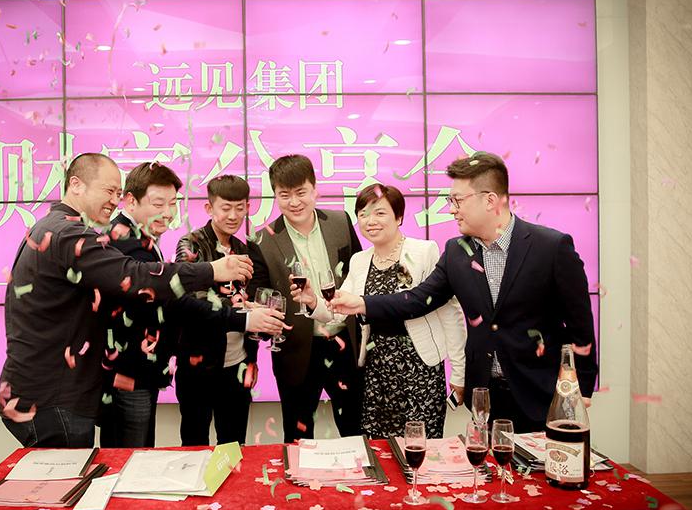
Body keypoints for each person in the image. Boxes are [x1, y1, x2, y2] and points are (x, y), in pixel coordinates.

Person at [0, 153, 257, 448]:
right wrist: (212, 271)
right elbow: (134, 276)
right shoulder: (68, 234)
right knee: (106, 467)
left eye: (117, 192)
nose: (114, 200)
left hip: (51, 389)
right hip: (55, 395)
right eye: (109, 190)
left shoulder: (56, 227)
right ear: (76, 185)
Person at [328, 152, 597, 433]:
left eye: (458, 200)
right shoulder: (457, 252)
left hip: (540, 393)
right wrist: (361, 303)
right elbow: (418, 300)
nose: (452, 210)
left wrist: (584, 385)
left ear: (489, 200)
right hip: (485, 396)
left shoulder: (551, 247)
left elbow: (580, 324)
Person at [97, 163, 285, 448]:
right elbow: (182, 301)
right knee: (164, 451)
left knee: (233, 446)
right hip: (149, 371)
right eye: (158, 204)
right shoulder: (144, 243)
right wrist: (243, 316)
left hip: (227, 364)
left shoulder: (242, 248)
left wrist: (251, 327)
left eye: (172, 204)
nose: (167, 212)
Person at [292, 184, 467, 439]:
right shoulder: (360, 261)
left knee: (420, 446)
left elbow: (450, 314)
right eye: (363, 214)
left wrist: (460, 372)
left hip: (420, 369)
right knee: (379, 448)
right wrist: (312, 301)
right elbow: (339, 310)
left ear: (399, 217)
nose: (370, 221)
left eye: (380, 213)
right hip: (377, 372)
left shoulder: (423, 251)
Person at [248, 154, 363, 442]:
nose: (294, 202)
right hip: (297, 349)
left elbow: (359, 272)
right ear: (275, 195)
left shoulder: (340, 222)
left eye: (301, 192)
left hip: (345, 342)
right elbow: (260, 296)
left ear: (314, 189)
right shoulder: (261, 241)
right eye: (284, 195)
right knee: (298, 436)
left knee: (355, 428)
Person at [174, 175, 261, 446]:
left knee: (233, 447)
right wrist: (239, 309)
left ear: (247, 208)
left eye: (239, 208)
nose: (233, 215)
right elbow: (188, 302)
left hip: (238, 364)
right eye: (226, 208)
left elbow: (252, 303)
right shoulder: (191, 244)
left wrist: (252, 358)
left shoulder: (245, 249)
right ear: (209, 208)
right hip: (198, 367)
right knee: (194, 445)